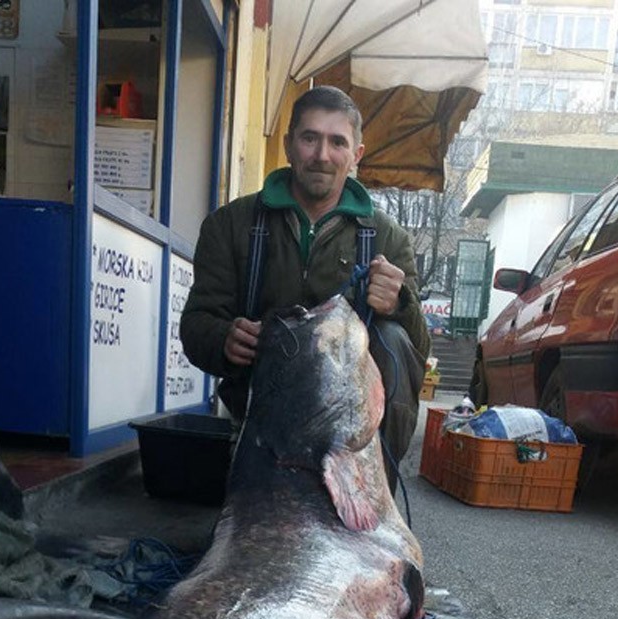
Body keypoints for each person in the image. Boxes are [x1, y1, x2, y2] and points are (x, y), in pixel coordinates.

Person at [180, 85, 431, 491]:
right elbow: (196, 325)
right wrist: (223, 339)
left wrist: (400, 304)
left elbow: (417, 349)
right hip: (260, 420)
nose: (322, 155)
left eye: (337, 142)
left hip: (349, 432)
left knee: (393, 337)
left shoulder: (389, 239)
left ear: (356, 154)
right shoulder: (229, 225)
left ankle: (374, 492)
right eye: (310, 138)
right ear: (288, 145)